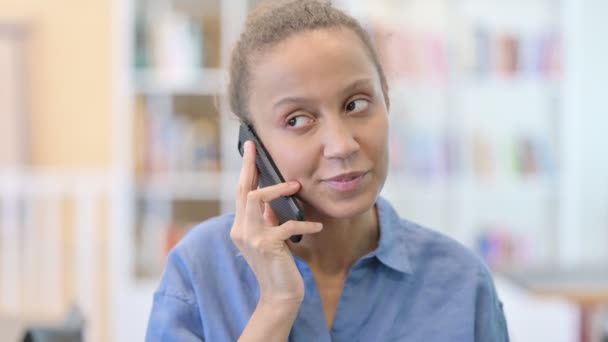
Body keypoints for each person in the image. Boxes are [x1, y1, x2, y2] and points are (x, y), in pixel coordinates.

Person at [146, 1, 510, 341]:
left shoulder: (463, 282)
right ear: (252, 145)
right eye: (298, 119)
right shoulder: (198, 270)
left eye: (356, 104)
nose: (342, 145)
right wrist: (275, 307)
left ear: (387, 99)